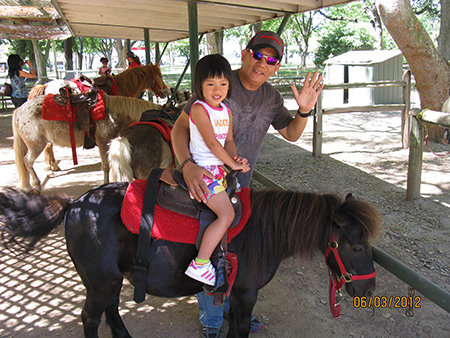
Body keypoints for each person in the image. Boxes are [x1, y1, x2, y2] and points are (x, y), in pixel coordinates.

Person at [172, 31, 324, 338]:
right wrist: (187, 166)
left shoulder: (272, 97)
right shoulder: (219, 84)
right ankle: (212, 319)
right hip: (204, 178)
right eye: (258, 55)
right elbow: (178, 130)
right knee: (209, 239)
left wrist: (305, 110)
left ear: (277, 67)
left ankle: (232, 308)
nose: (262, 63)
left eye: (271, 60)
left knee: (235, 250)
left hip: (240, 184)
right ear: (245, 54)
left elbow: (291, 133)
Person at [182, 54, 250, 286]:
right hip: (204, 171)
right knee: (227, 214)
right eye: (210, 84)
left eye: (223, 83)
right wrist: (232, 165)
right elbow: (212, 143)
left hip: (220, 168)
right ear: (200, 86)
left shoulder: (226, 111)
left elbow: (227, 141)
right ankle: (200, 264)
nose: (217, 89)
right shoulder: (199, 109)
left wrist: (235, 157)